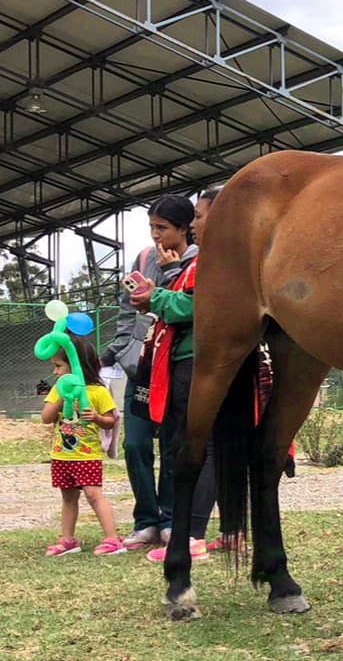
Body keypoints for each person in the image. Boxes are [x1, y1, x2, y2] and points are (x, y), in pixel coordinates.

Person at [108, 194, 196, 548]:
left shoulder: (198, 261)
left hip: (176, 365)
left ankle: (171, 517)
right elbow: (127, 309)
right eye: (151, 227)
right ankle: (146, 519)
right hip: (140, 366)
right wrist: (119, 350)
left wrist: (167, 283)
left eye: (162, 228)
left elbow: (190, 307)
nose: (156, 235)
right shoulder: (144, 258)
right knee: (136, 443)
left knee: (175, 444)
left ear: (184, 228)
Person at [141, 189, 223, 564]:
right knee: (214, 448)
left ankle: (191, 536)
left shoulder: (212, 262)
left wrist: (156, 298)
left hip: (200, 362)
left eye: (199, 218)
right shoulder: (190, 262)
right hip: (196, 361)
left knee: (202, 448)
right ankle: (232, 530)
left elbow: (194, 306)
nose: (194, 225)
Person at [41, 336, 125, 556]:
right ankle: (67, 540)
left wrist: (96, 417)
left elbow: (111, 420)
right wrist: (61, 396)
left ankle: (112, 539)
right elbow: (46, 417)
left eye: (59, 366)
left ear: (77, 365)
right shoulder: (58, 389)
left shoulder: (98, 392)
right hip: (62, 456)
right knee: (68, 498)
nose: (55, 372)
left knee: (93, 494)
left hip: (87, 456)